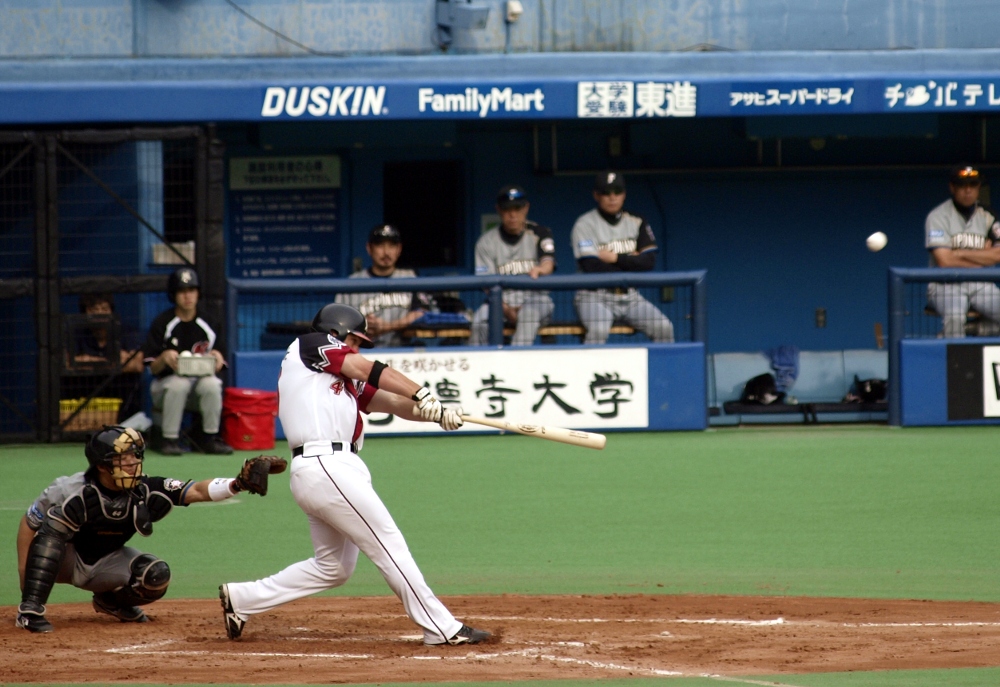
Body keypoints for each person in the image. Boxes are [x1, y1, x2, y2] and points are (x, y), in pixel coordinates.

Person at [219, 303, 491, 647]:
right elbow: (367, 368)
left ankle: (243, 599)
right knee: (388, 543)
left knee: (333, 567)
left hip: (324, 471)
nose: (357, 347)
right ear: (337, 331)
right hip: (326, 466)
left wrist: (437, 414)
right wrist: (421, 392)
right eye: (355, 340)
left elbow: (392, 403)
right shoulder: (311, 345)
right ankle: (442, 628)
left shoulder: (335, 379)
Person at [15, 426, 281, 633]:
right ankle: (30, 610)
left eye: (134, 456)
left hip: (104, 564)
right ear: (102, 465)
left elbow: (197, 490)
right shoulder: (70, 489)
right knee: (54, 527)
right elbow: (29, 525)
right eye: (123, 458)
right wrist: (25, 576)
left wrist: (238, 483)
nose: (133, 463)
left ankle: (111, 602)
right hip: (64, 559)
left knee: (155, 575)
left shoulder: (145, 489)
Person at [570, 171, 674, 344]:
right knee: (598, 329)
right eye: (606, 192)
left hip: (630, 297)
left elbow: (648, 262)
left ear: (624, 194)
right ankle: (591, 371)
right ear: (596, 195)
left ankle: (665, 371)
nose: (612, 197)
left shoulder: (636, 220)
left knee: (664, 327)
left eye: (617, 192)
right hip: (593, 296)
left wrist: (616, 257)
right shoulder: (584, 224)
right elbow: (591, 266)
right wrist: (632, 260)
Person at [142, 267, 232, 455]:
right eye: (182, 291)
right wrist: (164, 357)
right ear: (173, 295)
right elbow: (152, 368)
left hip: (198, 387)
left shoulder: (209, 323)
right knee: (178, 383)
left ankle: (210, 438)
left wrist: (217, 357)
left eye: (191, 290)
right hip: (165, 388)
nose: (187, 296)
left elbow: (220, 363)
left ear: (198, 293)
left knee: (212, 384)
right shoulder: (163, 323)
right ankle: (169, 439)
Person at [470, 185, 556, 346]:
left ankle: (515, 366)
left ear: (526, 208)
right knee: (479, 321)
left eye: (517, 208)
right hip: (500, 302)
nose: (513, 214)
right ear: (499, 210)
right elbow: (486, 284)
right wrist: (505, 308)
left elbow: (548, 262)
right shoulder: (486, 242)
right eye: (507, 209)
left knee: (528, 316)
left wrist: (541, 269)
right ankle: (480, 368)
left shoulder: (540, 232)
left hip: (535, 299)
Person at [925, 165, 1000, 338]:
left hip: (981, 285)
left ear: (978, 187)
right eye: (962, 185)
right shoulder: (938, 216)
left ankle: (971, 331)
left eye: (973, 185)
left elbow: (997, 256)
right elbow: (944, 261)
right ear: (952, 187)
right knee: (954, 317)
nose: (968, 190)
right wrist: (982, 256)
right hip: (945, 285)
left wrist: (958, 253)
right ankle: (957, 364)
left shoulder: (989, 215)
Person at [335, 224, 430, 347]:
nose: (386, 252)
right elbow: (337, 324)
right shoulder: (351, 283)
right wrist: (361, 327)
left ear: (399, 249)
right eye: (380, 245)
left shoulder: (410, 279)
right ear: (369, 248)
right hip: (361, 352)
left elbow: (421, 313)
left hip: (401, 351)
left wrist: (387, 326)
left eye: (392, 246)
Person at [64, 293, 145, 423]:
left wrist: (87, 360)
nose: (100, 314)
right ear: (85, 313)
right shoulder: (75, 333)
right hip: (84, 389)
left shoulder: (126, 331)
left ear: (111, 311)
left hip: (118, 388)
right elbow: (66, 364)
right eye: (94, 310)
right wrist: (114, 361)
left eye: (104, 309)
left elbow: (138, 364)